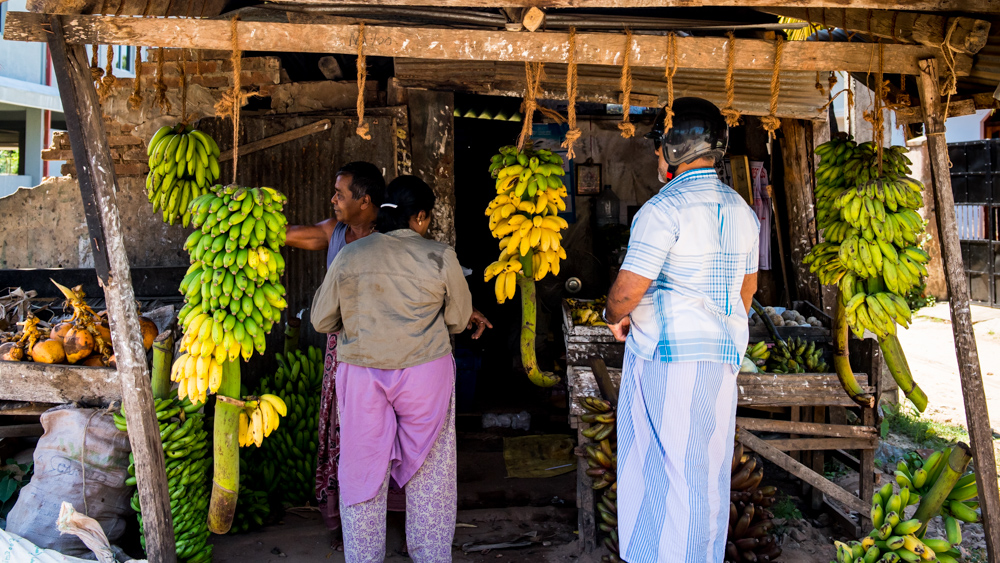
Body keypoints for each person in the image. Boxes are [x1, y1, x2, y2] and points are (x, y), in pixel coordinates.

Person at [601, 97, 760, 563]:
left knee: (664, 473)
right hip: (720, 364)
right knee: (704, 475)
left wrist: (614, 315)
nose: (656, 156)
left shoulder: (662, 209)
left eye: (658, 147)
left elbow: (627, 292)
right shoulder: (742, 211)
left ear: (673, 149)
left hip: (669, 364)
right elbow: (747, 292)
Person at [311, 175, 474, 562]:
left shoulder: (350, 255)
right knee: (431, 472)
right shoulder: (441, 255)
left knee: (362, 469)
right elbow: (458, 320)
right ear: (421, 217)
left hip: (362, 374)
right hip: (425, 374)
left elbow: (321, 320)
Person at [285, 161, 386, 535]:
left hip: (384, 350)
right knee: (342, 425)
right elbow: (294, 234)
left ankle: (385, 513)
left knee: (379, 428)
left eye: (340, 194)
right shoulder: (336, 232)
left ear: (365, 200)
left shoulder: (392, 237)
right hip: (342, 348)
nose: (333, 200)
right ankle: (344, 515)